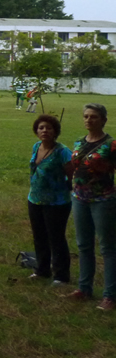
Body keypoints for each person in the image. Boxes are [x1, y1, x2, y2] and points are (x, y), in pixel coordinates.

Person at [66, 103, 116, 310]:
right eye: (86, 116)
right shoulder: (79, 142)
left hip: (103, 200)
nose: (89, 120)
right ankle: (84, 288)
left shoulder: (111, 145)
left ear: (103, 120)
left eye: (94, 117)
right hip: (79, 198)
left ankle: (110, 296)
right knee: (84, 245)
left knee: (107, 247)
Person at [27, 114, 73, 285]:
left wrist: (64, 188)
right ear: (36, 131)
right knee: (39, 236)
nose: (44, 130)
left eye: (49, 128)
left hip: (57, 202)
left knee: (56, 238)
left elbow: (72, 174)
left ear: (55, 131)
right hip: (35, 199)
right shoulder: (36, 146)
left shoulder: (62, 151)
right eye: (41, 128)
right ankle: (42, 269)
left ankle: (61, 275)